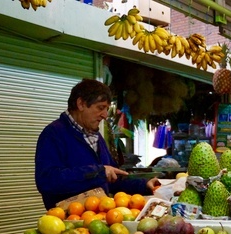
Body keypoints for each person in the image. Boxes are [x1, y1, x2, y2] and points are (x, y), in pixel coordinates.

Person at [35, 78, 159, 210]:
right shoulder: (54, 134)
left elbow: (112, 177)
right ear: (81, 104)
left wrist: (144, 185)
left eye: (106, 109)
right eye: (100, 108)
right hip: (67, 222)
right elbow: (47, 181)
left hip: (98, 218)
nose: (105, 115)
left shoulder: (96, 137)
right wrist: (97, 172)